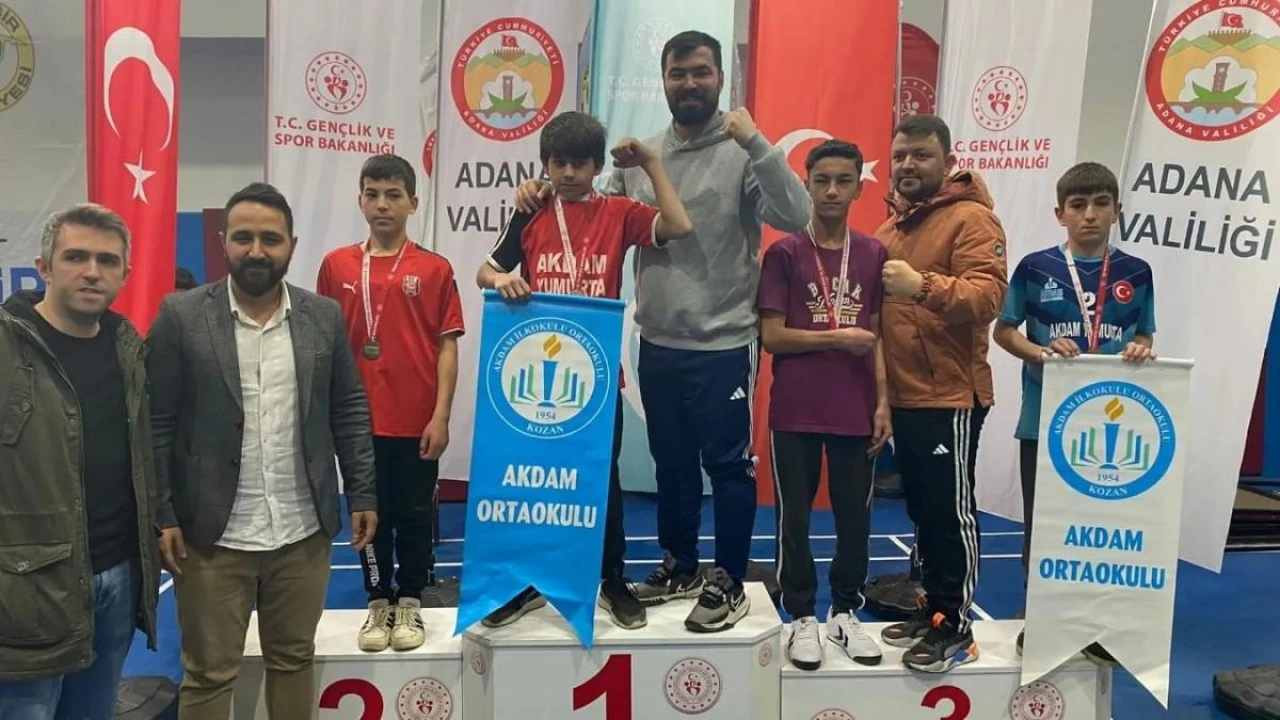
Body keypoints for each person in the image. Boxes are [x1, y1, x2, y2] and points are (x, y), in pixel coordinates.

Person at [515, 30, 811, 633]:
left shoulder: (742, 151)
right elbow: (590, 210)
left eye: (701, 72)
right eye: (679, 73)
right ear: (665, 80)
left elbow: (795, 215)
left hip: (725, 341)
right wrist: (540, 191)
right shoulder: (640, 156)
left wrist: (758, 142)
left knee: (728, 467)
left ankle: (730, 579)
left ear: (721, 77)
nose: (690, 83)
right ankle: (681, 564)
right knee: (670, 464)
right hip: (656, 342)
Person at [147, 182, 379, 719]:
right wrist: (162, 513)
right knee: (208, 673)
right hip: (210, 535)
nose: (256, 251)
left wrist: (363, 491)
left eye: (270, 239)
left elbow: (347, 409)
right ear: (223, 242)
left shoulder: (323, 316)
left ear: (291, 246)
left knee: (294, 660)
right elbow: (156, 423)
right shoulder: (181, 316)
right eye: (244, 238)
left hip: (302, 529)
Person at [477, 110, 693, 630]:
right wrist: (502, 281)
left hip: (595, 379)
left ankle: (611, 579)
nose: (569, 173)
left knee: (602, 481)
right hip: (535, 381)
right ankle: (530, 582)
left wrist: (652, 162)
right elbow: (487, 269)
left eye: (579, 163)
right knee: (537, 484)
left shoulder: (618, 212)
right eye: (558, 163)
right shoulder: (530, 213)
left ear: (597, 166)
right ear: (545, 164)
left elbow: (679, 225)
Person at [0, 204, 161, 719]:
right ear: (44, 267)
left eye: (107, 261)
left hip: (117, 577)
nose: (92, 271)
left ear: (124, 274)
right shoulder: (5, 348)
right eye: (75, 257)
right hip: (26, 590)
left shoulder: (128, 351)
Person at [992, 161, 1156, 654]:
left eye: (1101, 204)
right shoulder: (1036, 268)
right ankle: (1040, 613)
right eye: (1078, 205)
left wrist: (1141, 348)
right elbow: (1004, 332)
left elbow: (1145, 334)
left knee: (1101, 528)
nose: (1090, 215)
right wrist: (1040, 352)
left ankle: (1096, 621)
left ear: (1117, 211)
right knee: (1044, 523)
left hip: (1111, 431)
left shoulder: (1137, 273)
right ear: (1059, 213)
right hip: (1044, 421)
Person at [874, 114, 1008, 673]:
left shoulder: (972, 218)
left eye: (921, 155)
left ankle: (955, 624)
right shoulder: (889, 230)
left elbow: (989, 297)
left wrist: (921, 285)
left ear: (948, 162)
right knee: (924, 509)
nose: (908, 165)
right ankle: (930, 606)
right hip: (906, 395)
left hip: (949, 395)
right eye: (900, 155)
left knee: (951, 511)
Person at [317, 154, 465, 653]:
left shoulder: (435, 268)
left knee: (415, 515)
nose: (382, 204)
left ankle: (412, 599)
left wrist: (441, 415)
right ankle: (378, 600)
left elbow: (447, 346)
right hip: (357, 423)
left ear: (412, 203)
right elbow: (325, 347)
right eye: (373, 194)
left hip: (416, 420)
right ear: (360, 201)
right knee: (368, 514)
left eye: (393, 195)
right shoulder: (336, 265)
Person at [758, 140, 890, 670]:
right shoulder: (784, 254)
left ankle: (844, 611)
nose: (832, 190)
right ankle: (800, 616)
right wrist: (837, 338)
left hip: (856, 406)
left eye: (843, 181)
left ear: (859, 188)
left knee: (855, 517)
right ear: (807, 185)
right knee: (793, 517)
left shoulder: (874, 253)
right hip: (796, 407)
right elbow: (772, 336)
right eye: (822, 180)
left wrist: (884, 402)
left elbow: (877, 334)